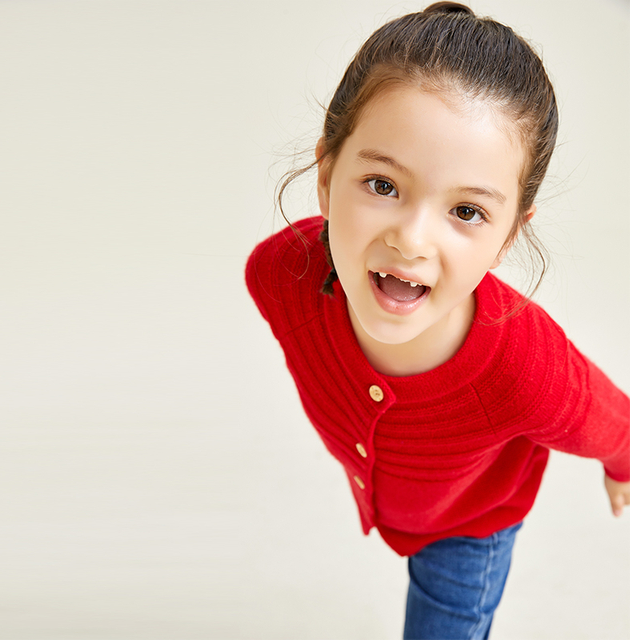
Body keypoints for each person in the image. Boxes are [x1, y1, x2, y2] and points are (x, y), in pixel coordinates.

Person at [245, 3, 630, 639]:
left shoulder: (526, 370)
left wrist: (622, 465)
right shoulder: (279, 276)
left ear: (509, 236)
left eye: (469, 212)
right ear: (325, 174)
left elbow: (610, 418)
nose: (413, 239)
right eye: (382, 185)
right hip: (400, 500)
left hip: (471, 521)